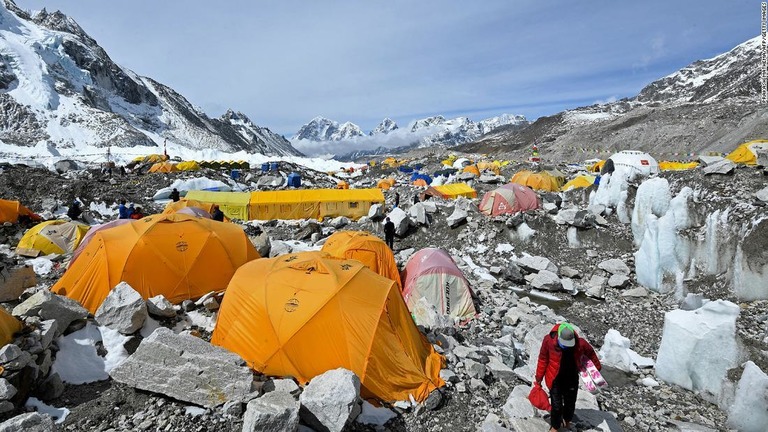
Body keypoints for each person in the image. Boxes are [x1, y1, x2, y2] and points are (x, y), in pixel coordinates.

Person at [536, 322, 601, 432]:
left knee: (570, 402)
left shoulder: (580, 343)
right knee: (556, 406)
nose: (566, 346)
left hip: (571, 378)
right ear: (559, 337)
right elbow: (543, 359)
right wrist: (539, 378)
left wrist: (597, 368)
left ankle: (567, 421)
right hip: (554, 378)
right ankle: (555, 427)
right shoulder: (548, 341)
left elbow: (591, 353)